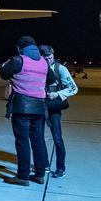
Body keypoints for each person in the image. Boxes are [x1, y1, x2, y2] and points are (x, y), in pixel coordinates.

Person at [0, 35, 49, 184]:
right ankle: (40, 174)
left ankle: (23, 176)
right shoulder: (44, 62)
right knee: (38, 140)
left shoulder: (18, 60)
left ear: (20, 48)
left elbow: (3, 74)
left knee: (22, 142)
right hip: (39, 108)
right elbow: (51, 79)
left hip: (22, 108)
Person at [39, 44, 79, 178]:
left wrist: (57, 94)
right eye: (45, 58)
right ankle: (43, 165)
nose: (48, 61)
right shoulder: (38, 67)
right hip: (40, 106)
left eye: (50, 58)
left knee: (57, 138)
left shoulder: (60, 68)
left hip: (53, 106)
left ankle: (61, 167)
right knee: (38, 138)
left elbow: (74, 88)